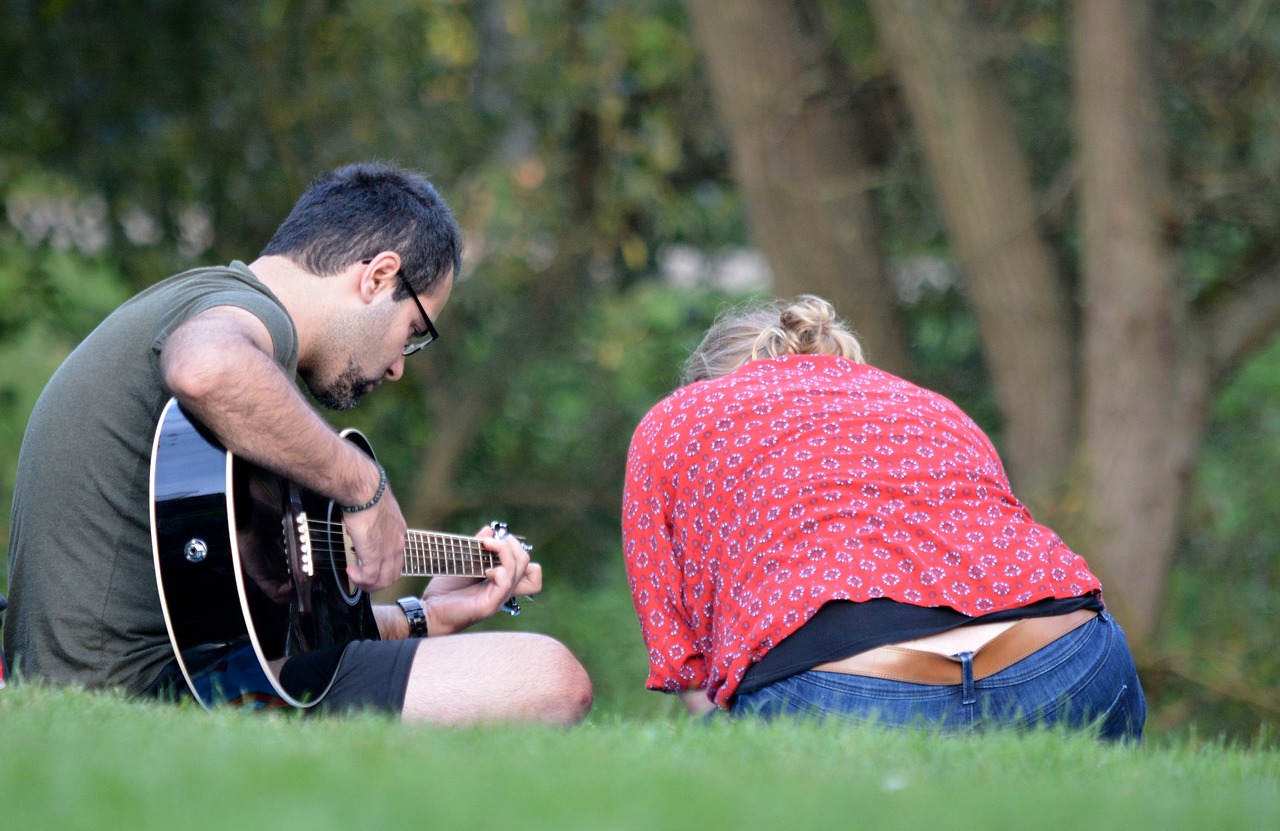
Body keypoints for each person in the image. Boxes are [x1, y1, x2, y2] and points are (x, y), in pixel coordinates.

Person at [3, 162, 592, 724]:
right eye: (413, 332)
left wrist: (427, 615)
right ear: (379, 276)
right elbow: (206, 366)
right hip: (130, 693)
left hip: (161, 673)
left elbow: (254, 642)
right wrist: (366, 487)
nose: (397, 369)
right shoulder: (247, 318)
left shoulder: (227, 348)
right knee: (549, 675)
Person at [622, 295, 1144, 740]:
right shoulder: (930, 404)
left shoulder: (679, 417)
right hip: (1071, 658)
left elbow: (680, 651)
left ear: (708, 379)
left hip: (847, 687)